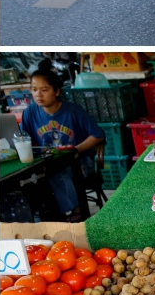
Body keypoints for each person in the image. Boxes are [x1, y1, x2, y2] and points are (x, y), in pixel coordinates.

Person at [20, 66, 105, 221]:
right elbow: (22, 138)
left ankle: (74, 212)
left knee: (56, 172)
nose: (38, 94)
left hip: (79, 163)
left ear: (57, 91)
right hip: (45, 162)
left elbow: (98, 135)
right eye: (34, 89)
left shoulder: (73, 111)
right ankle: (47, 218)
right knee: (31, 179)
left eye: (44, 90)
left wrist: (75, 151)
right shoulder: (29, 113)